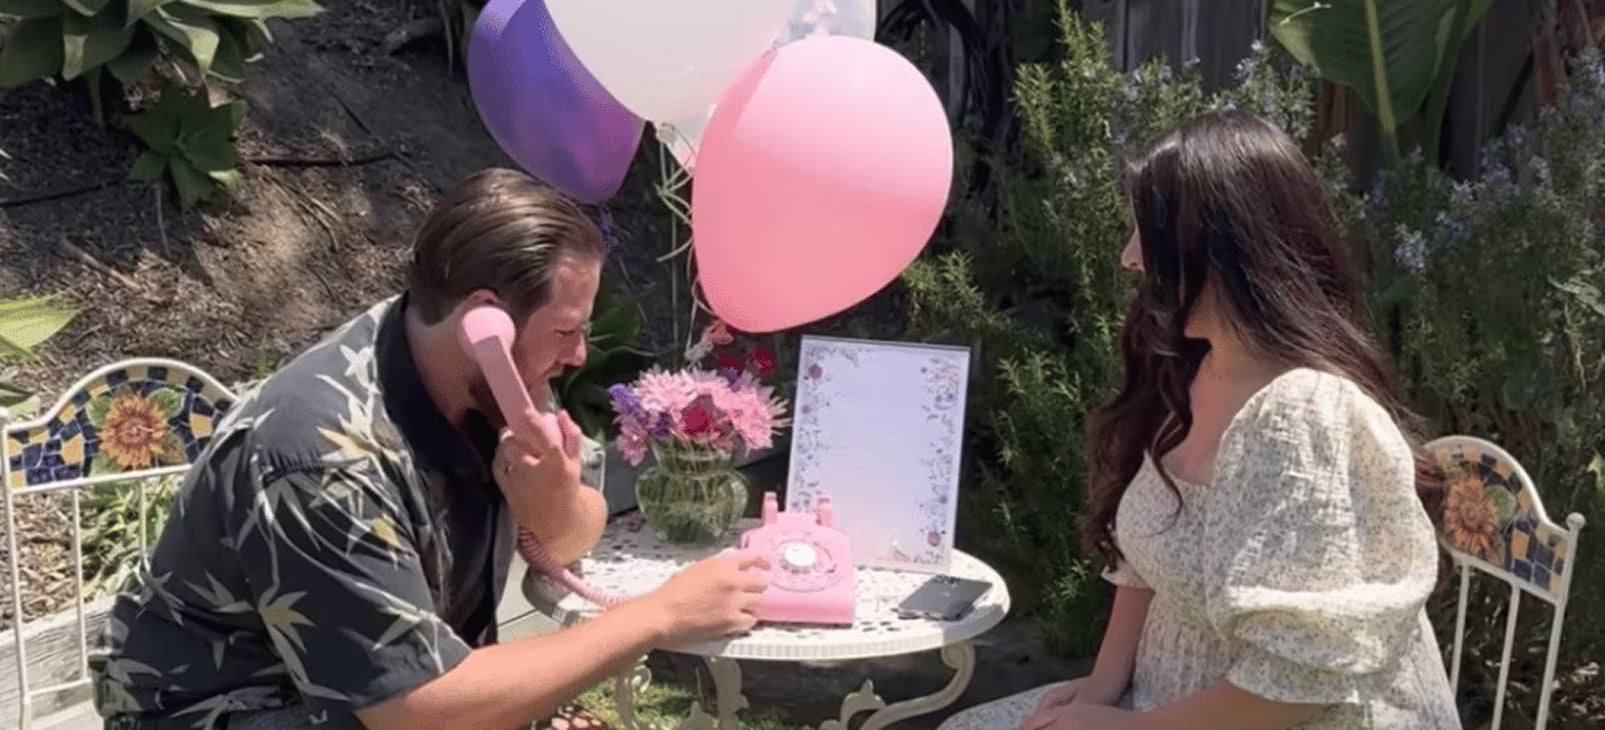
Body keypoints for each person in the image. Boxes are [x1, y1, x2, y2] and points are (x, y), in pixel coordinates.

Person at [89, 168, 770, 730]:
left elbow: (569, 538)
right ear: (484, 316)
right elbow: (414, 708)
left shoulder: (491, 372)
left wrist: (555, 502)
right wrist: (660, 616)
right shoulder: (325, 460)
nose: (579, 355)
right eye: (566, 331)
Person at [939, 111, 1460, 729]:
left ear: (1218, 247)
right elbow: (1147, 547)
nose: (1129, 257)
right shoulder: (1197, 370)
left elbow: (1297, 683)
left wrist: (1126, 727)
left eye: (1145, 234)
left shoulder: (1304, 416)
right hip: (1163, 704)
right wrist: (1103, 686)